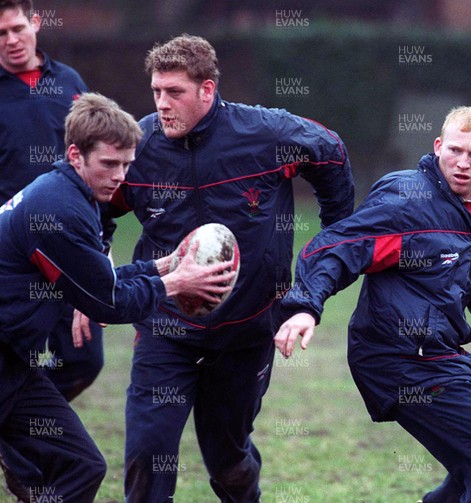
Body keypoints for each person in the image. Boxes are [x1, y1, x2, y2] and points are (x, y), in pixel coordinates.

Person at [99, 34, 354, 503]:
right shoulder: (140, 146)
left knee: (227, 459)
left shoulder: (267, 134)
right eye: (156, 92)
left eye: (174, 92)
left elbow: (331, 152)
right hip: (166, 329)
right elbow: (96, 202)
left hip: (246, 334)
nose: (162, 105)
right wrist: (93, 266)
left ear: (208, 90)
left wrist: (335, 236)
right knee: (147, 451)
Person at [275, 106, 471, 503]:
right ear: (438, 146)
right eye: (455, 150)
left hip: (439, 355)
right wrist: (306, 305)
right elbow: (338, 248)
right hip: (393, 356)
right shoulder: (406, 199)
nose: (462, 163)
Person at [0, 92, 235, 503]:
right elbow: (107, 303)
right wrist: (178, 283)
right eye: (109, 164)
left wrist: (165, 265)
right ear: (75, 155)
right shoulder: (57, 208)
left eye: (126, 165)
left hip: (14, 365)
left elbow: (101, 280)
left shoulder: (74, 196)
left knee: (81, 466)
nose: (119, 177)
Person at [0, 0, 103, 402]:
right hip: (13, 257)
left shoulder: (69, 82)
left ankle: (25, 434)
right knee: (13, 361)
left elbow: (97, 158)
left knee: (84, 358)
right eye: (0, 34)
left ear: (37, 23)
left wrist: (102, 234)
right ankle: (27, 450)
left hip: (67, 242)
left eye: (18, 28)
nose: (11, 40)